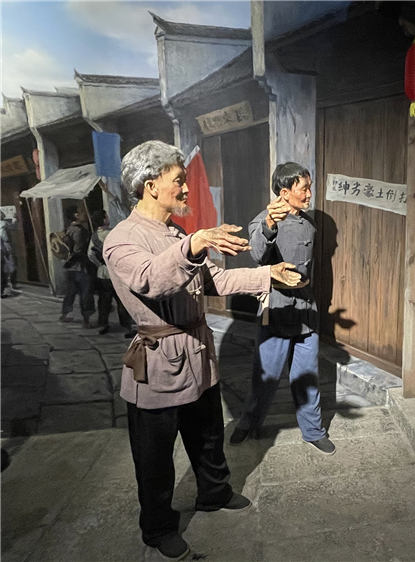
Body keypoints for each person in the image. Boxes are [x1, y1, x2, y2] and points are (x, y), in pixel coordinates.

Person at [103, 140, 301, 560]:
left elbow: (216, 281)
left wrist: (268, 274)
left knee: (208, 435)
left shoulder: (175, 233)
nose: (186, 188)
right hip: (157, 361)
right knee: (154, 457)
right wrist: (192, 244)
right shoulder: (121, 239)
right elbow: (150, 280)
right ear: (151, 185)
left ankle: (214, 492)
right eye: (179, 180)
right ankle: (158, 527)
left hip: (197, 352)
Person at [230, 162, 335, 456]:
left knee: (307, 375)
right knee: (265, 375)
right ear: (285, 192)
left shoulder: (309, 224)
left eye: (310, 187)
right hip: (276, 307)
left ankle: (313, 431)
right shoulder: (263, 220)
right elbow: (257, 254)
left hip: (306, 308)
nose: (309, 194)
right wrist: (269, 225)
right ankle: (249, 422)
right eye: (304, 188)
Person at [87, 209, 135, 336]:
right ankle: (127, 326)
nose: (108, 218)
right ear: (103, 220)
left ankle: (103, 324)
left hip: (102, 273)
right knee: (122, 300)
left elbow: (90, 254)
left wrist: (100, 265)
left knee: (104, 300)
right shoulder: (114, 233)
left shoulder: (94, 236)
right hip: (116, 272)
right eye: (106, 216)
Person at [59, 206, 95, 327]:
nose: (85, 214)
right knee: (85, 293)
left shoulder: (67, 229)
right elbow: (78, 249)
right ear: (76, 215)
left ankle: (65, 314)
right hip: (80, 266)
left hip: (69, 267)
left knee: (70, 292)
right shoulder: (80, 231)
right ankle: (86, 319)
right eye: (81, 212)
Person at [0, 210, 16, 298]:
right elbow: (13, 226)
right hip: (4, 245)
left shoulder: (4, 223)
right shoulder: (3, 223)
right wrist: (14, 219)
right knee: (8, 265)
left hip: (3, 245)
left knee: (5, 266)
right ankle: (9, 284)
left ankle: (7, 285)